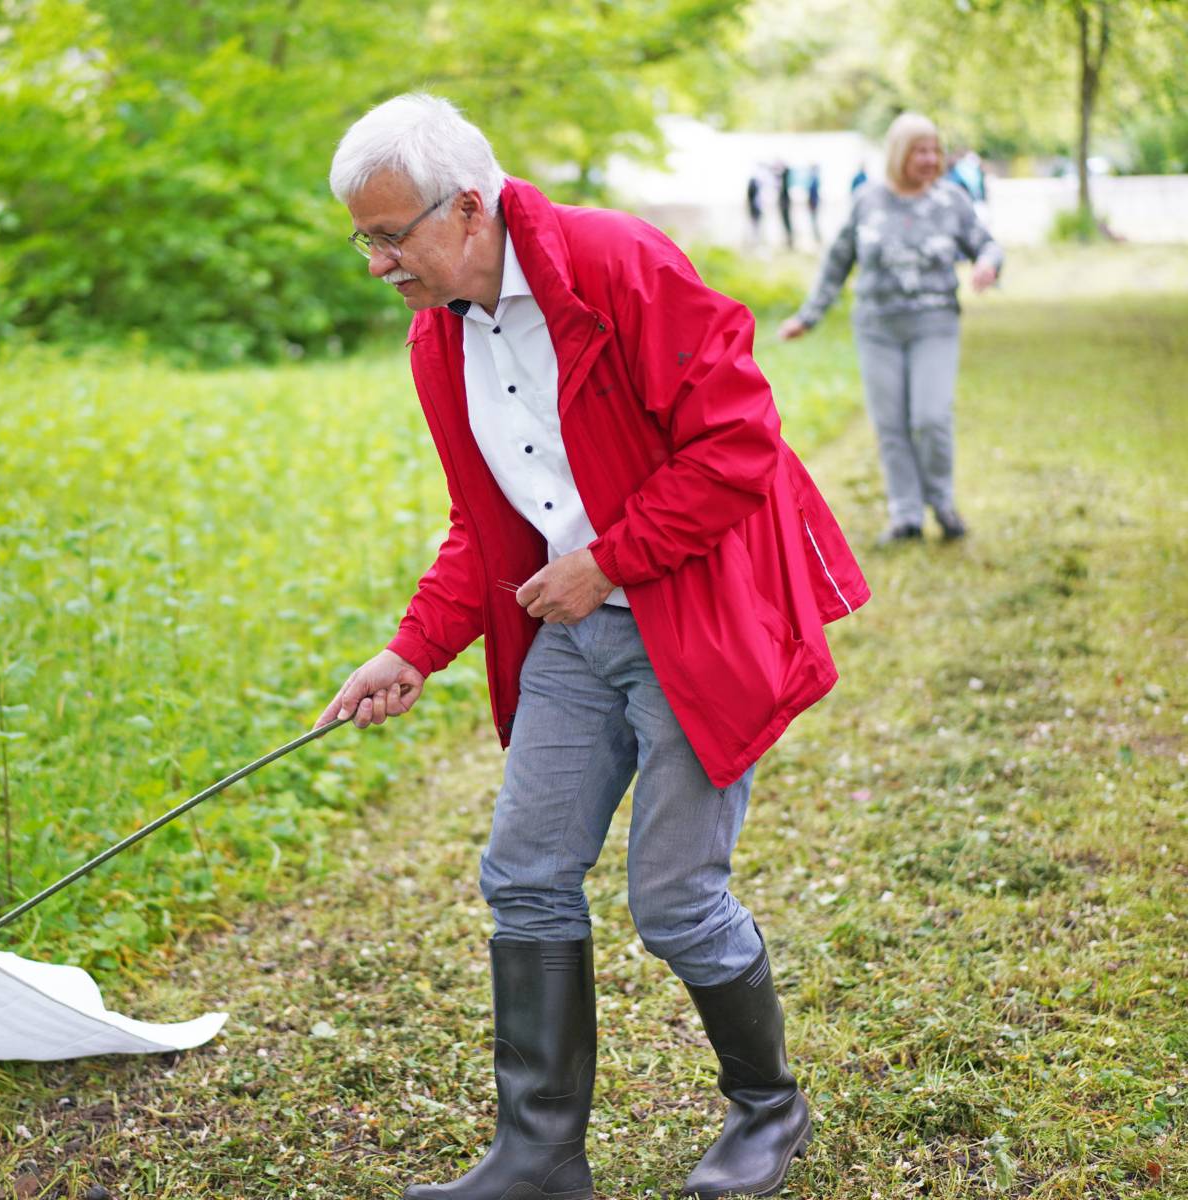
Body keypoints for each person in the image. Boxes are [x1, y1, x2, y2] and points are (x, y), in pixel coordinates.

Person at [318, 93, 870, 1200]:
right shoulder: (438, 340)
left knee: (671, 901)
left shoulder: (618, 264)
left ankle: (769, 1107)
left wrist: (610, 559)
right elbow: (485, 526)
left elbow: (738, 442)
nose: (376, 262)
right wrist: (410, 651)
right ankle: (537, 1156)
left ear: (468, 209)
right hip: (571, 629)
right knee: (522, 874)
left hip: (689, 615)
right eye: (361, 239)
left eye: (390, 235)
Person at [779, 112, 1003, 546]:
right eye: (920, 150)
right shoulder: (868, 200)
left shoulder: (952, 199)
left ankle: (943, 504)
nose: (930, 158)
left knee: (930, 417)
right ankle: (906, 516)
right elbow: (837, 262)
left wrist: (988, 263)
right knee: (891, 424)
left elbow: (986, 243)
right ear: (899, 153)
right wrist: (807, 316)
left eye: (935, 149)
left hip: (934, 323)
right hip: (877, 327)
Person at [775, 162, 794, 249]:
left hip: (785, 204)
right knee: (786, 224)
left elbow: (786, 171)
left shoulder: (785, 178)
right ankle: (788, 240)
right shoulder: (782, 180)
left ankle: (790, 241)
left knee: (787, 224)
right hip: (784, 203)